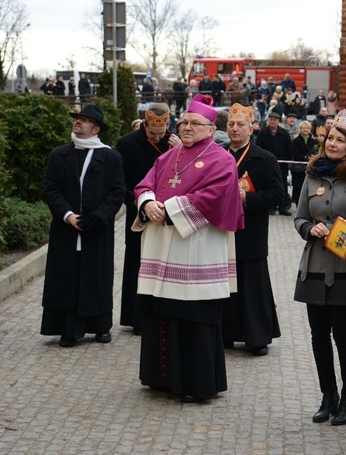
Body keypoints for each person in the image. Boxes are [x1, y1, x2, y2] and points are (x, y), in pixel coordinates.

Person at [132, 94, 244, 403]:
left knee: (193, 314)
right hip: (163, 246)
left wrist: (167, 209)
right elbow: (144, 184)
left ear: (211, 128)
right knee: (162, 311)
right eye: (184, 122)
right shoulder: (168, 156)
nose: (187, 127)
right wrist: (147, 202)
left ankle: (197, 383)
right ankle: (161, 377)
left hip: (197, 248)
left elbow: (216, 195)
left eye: (195, 123)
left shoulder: (222, 159)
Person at [294, 108, 346, 427]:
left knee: (343, 333)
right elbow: (299, 216)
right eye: (330, 138)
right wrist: (309, 229)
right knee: (317, 335)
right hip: (313, 265)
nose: (333, 144)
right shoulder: (312, 174)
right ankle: (328, 396)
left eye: (340, 140)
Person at [41, 104, 126, 347]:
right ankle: (68, 330)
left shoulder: (110, 157)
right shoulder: (59, 154)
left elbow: (117, 192)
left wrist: (97, 217)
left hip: (96, 229)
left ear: (96, 128)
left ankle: (101, 327)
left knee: (96, 277)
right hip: (65, 229)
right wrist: (67, 214)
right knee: (67, 277)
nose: (78, 122)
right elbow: (51, 188)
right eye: (78, 119)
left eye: (85, 120)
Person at [222, 103, 285, 356]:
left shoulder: (265, 158)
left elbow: (278, 194)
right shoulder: (218, 156)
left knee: (252, 286)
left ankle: (257, 337)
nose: (235, 129)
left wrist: (247, 198)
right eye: (231, 124)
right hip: (223, 232)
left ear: (251, 128)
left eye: (240, 125)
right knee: (225, 285)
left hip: (251, 232)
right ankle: (226, 332)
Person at [116, 104, 180, 335]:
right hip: (139, 214)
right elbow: (118, 184)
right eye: (153, 134)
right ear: (144, 123)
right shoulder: (126, 144)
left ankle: (165, 313)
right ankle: (137, 318)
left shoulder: (176, 143)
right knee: (136, 263)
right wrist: (137, 202)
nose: (158, 137)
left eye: (161, 133)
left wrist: (181, 150)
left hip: (168, 214)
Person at [257, 111, 293, 215]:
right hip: (267, 166)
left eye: (275, 120)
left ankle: (283, 206)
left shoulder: (285, 134)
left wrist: (288, 162)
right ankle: (271, 207)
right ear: (268, 120)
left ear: (278, 121)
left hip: (282, 166)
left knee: (282, 185)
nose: (273, 121)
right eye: (271, 119)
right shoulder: (262, 134)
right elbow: (259, 149)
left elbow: (289, 149)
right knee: (268, 186)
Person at [291, 120, 316, 205]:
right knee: (298, 187)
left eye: (307, 128)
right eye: (303, 128)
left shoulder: (314, 142)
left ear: (310, 129)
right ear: (300, 129)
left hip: (310, 167)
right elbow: (295, 154)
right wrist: (306, 157)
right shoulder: (295, 141)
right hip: (298, 168)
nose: (305, 130)